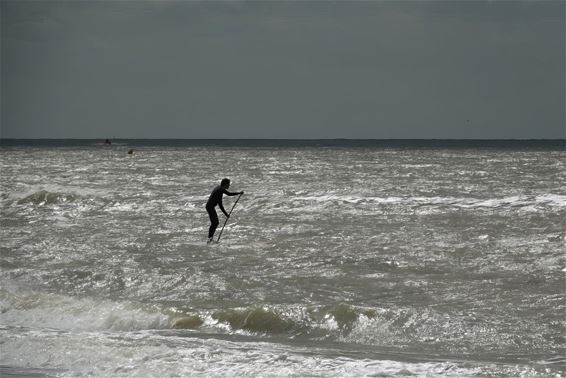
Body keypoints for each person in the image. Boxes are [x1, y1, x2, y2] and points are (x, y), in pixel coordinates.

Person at [206, 178, 243, 243]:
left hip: (210, 207)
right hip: (210, 207)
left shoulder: (220, 189)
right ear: (225, 185)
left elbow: (221, 202)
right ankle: (210, 238)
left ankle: (210, 238)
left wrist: (226, 214)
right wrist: (239, 193)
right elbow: (228, 195)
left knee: (215, 223)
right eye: (228, 184)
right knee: (215, 223)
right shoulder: (220, 189)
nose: (229, 186)